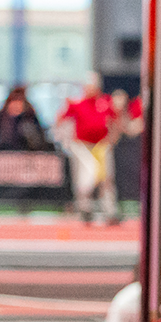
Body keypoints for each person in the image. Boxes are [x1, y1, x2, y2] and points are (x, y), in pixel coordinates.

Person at [55, 73, 117, 223]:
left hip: (101, 146)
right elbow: (60, 120)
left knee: (105, 178)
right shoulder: (77, 103)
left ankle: (110, 211)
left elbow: (115, 120)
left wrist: (111, 139)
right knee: (84, 180)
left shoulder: (105, 102)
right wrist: (66, 141)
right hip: (83, 146)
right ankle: (85, 209)